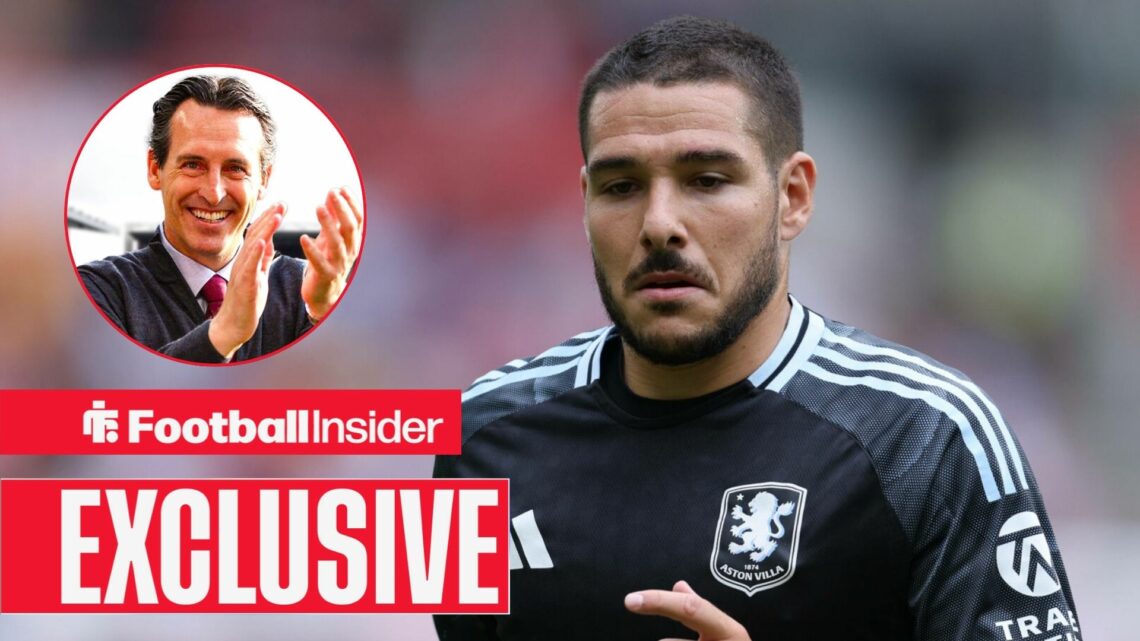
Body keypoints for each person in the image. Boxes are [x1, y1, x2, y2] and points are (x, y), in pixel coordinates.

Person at [434, 16, 1079, 641]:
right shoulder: (482, 438)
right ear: (585, 203)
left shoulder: (927, 438)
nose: (659, 223)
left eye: (706, 180)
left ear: (792, 196)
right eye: (622, 186)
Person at [78, 75, 362, 363]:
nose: (213, 193)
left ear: (263, 179)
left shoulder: (307, 290)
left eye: (235, 168)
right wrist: (227, 329)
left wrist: (324, 313)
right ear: (155, 169)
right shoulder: (101, 290)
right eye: (193, 165)